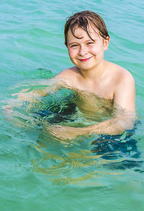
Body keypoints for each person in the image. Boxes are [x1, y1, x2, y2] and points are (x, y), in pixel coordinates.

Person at [12, 10, 136, 140]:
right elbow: (38, 91)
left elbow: (124, 122)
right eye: (75, 45)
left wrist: (77, 132)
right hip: (77, 114)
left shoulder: (121, 79)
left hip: (112, 133)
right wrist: (12, 103)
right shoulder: (70, 76)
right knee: (38, 129)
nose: (82, 52)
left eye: (90, 43)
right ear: (67, 47)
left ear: (105, 43)